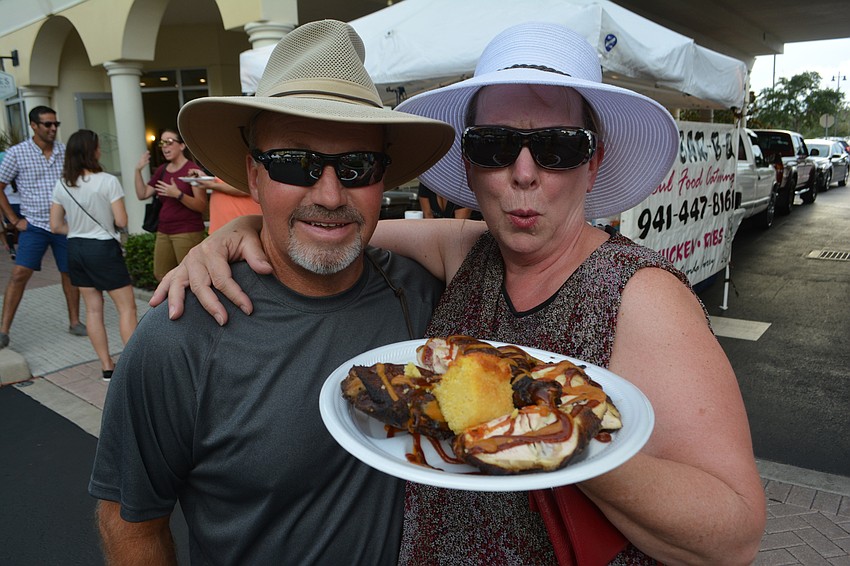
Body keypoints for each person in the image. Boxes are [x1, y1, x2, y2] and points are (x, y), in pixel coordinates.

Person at [155, 23, 767, 564]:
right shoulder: (468, 250)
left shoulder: (641, 295)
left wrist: (558, 439)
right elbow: (338, 223)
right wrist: (247, 226)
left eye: (557, 148)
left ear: (594, 161)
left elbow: (734, 534)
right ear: (470, 166)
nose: (523, 172)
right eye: (495, 146)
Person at [88, 20, 454, 565]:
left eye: (357, 166)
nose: (330, 194)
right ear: (253, 177)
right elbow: (132, 522)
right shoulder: (181, 333)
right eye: (294, 163)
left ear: (383, 181)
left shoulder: (426, 296)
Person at [49, 129, 137, 381]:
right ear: (92, 151)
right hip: (103, 249)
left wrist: (77, 229)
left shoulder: (62, 184)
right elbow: (121, 220)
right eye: (97, 146)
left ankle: (107, 366)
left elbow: (55, 226)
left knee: (93, 310)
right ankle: (131, 367)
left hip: (76, 248)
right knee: (126, 308)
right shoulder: (107, 181)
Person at [0, 106, 85, 349]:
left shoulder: (63, 152)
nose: (53, 129)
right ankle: (3, 330)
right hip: (34, 225)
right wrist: (13, 221)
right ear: (34, 126)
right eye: (47, 124)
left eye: (55, 124)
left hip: (63, 225)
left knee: (70, 273)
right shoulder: (17, 153)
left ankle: (75, 322)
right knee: (19, 274)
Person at [134, 128, 207, 281]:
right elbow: (143, 194)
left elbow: (201, 205)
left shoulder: (192, 171)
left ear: (181, 146)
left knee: (190, 275)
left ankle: (190, 305)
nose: (164, 147)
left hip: (187, 230)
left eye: (169, 142)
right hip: (163, 230)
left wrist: (178, 194)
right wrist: (137, 170)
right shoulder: (162, 170)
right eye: (162, 143)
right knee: (161, 275)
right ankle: (173, 304)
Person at [186, 168, 261, 233]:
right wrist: (204, 178)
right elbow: (223, 184)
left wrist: (211, 185)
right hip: (222, 227)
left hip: (241, 228)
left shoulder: (241, 160)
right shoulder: (224, 165)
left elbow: (245, 188)